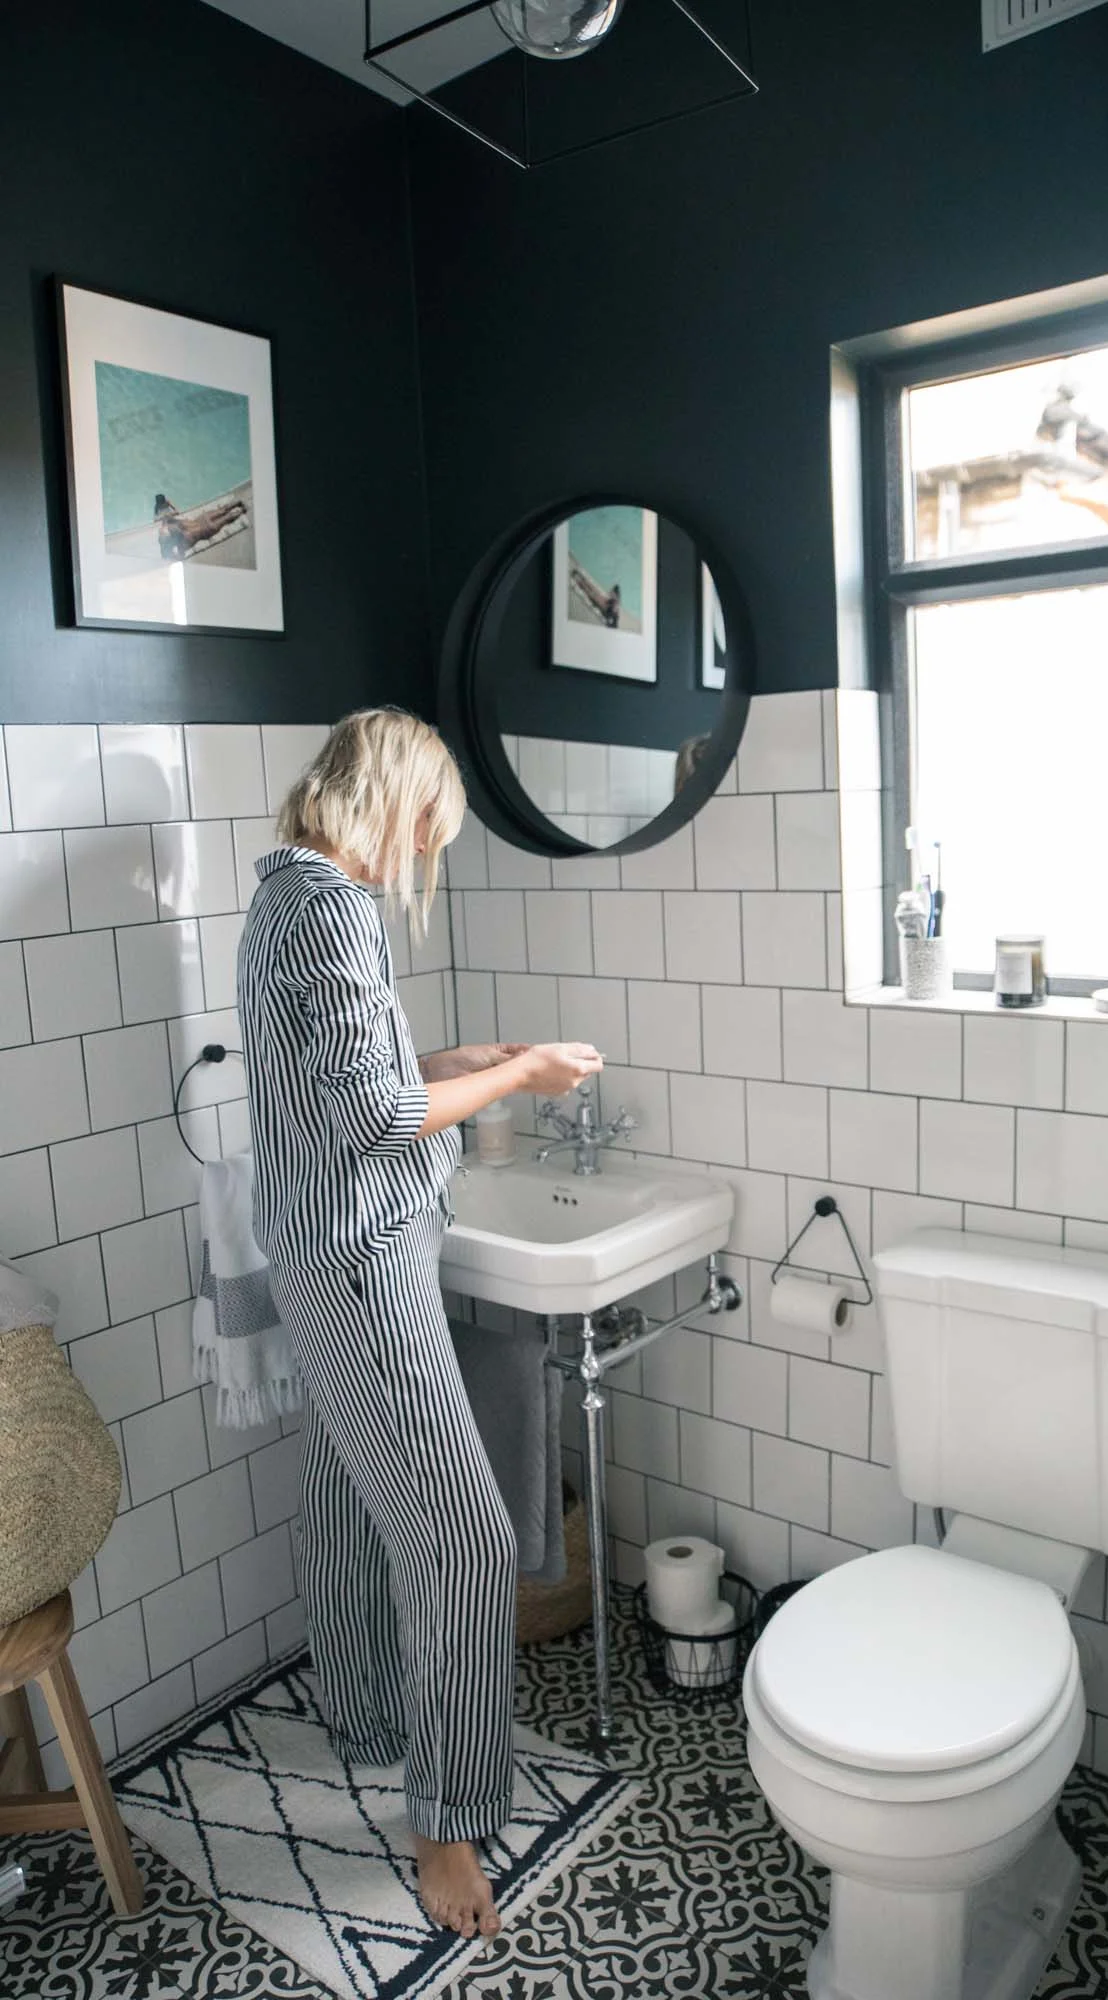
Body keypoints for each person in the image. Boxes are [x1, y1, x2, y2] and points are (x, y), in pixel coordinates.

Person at [236, 708, 602, 1943]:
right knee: (462, 1534)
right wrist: (523, 1074)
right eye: (427, 828)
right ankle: (444, 1821)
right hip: (361, 1258)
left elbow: (339, 1077)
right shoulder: (326, 907)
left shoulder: (285, 893)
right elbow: (388, 1121)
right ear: (388, 798)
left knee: (349, 1486)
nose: (418, 858)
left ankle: (366, 1714)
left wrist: (460, 1050)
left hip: (312, 1246)